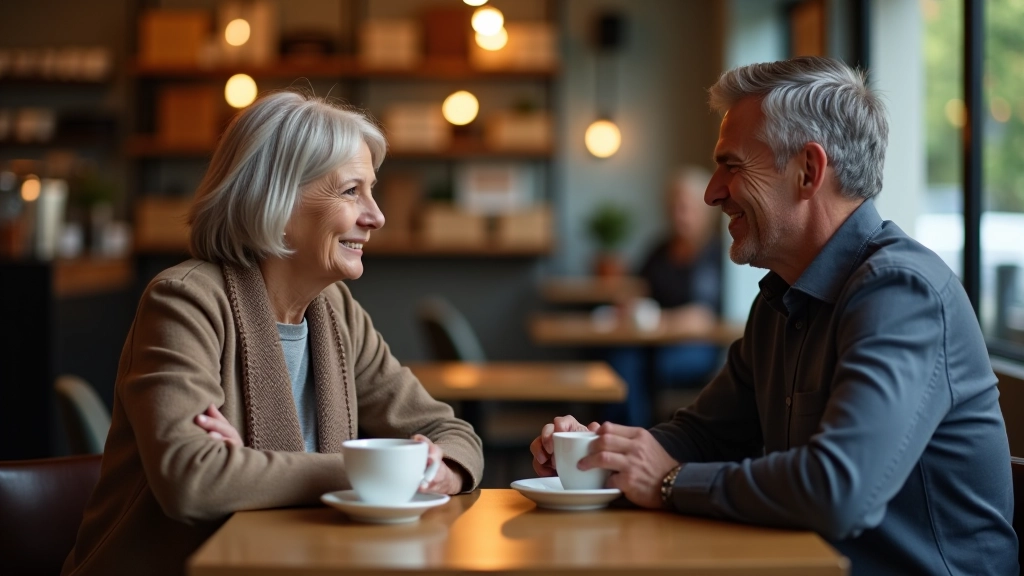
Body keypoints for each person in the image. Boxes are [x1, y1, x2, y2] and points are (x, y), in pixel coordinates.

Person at [530, 57, 1017, 575]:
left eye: (732, 165)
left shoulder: (901, 292)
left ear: (808, 170)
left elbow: (838, 490)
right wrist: (602, 453)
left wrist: (669, 482)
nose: (711, 192)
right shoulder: (780, 298)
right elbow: (702, 436)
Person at [62, 91, 484, 576]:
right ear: (278, 204)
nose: (376, 216)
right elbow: (194, 480)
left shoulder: (336, 312)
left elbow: (452, 435)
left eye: (372, 191)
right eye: (351, 192)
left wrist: (437, 470)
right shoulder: (184, 301)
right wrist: (378, 470)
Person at [604, 167, 723, 427]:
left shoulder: (714, 254)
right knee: (619, 359)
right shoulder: (660, 249)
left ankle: (642, 436)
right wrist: (628, 302)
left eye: (686, 207)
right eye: (673, 206)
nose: (678, 214)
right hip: (652, 342)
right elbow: (637, 288)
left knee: (644, 365)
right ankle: (620, 435)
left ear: (706, 211)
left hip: (697, 346)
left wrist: (655, 319)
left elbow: (701, 316)